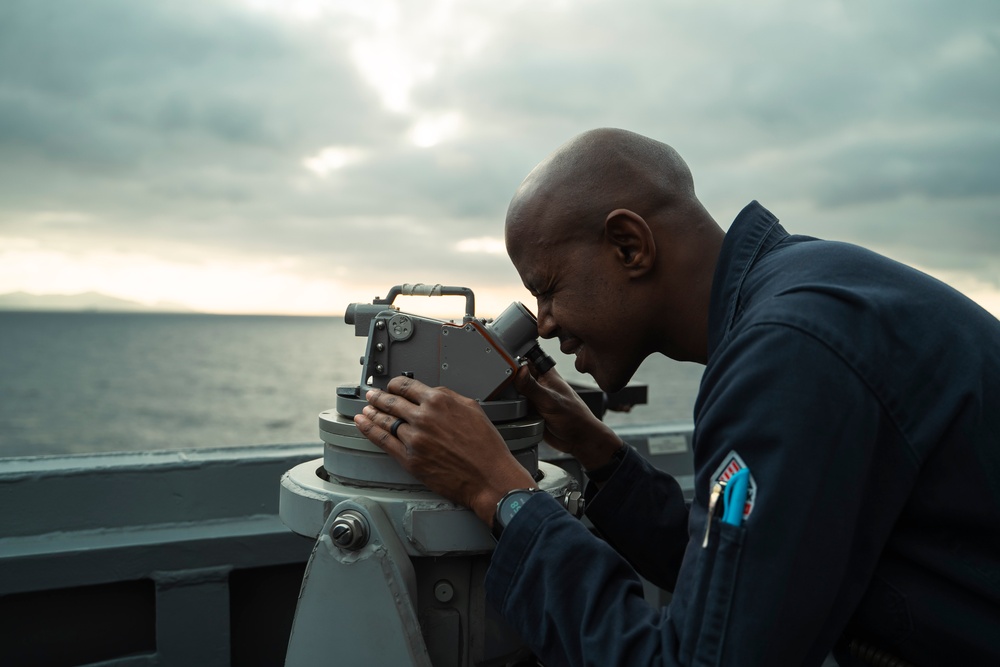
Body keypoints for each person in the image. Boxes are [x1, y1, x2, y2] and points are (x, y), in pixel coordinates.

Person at [353, 128, 1000, 666]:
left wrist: (501, 493)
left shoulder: (788, 356)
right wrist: (603, 457)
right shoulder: (800, 300)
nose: (542, 323)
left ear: (630, 245)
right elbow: (739, 574)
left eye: (547, 288)